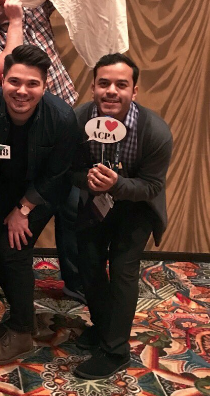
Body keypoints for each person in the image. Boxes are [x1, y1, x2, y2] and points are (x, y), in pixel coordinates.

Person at [0, 0, 82, 300]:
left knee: (72, 217)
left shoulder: (34, 9)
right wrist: (15, 21)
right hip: (22, 133)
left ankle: (78, 291)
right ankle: (21, 301)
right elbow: (5, 67)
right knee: (6, 238)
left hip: (63, 125)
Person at [0, 45, 78, 365]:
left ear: (45, 85)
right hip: (4, 184)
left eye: (32, 84)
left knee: (14, 248)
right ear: (2, 80)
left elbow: (58, 175)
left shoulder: (62, 118)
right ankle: (20, 307)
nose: (22, 91)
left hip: (43, 189)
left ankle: (22, 332)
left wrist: (23, 210)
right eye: (14, 82)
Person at [71, 53, 172, 379]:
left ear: (135, 91)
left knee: (124, 271)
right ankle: (104, 329)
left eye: (121, 84)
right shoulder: (79, 119)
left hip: (136, 208)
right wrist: (85, 179)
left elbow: (153, 186)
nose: (111, 90)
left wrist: (118, 185)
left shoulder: (155, 131)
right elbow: (68, 169)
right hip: (96, 203)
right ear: (93, 88)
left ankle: (116, 352)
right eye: (104, 83)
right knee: (88, 264)